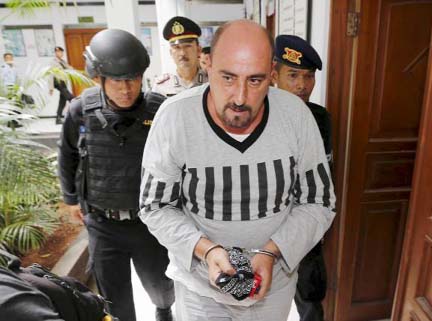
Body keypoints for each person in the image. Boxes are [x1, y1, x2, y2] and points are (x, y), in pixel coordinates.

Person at [140, 20, 336, 321]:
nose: (240, 98)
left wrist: (272, 252)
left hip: (274, 289)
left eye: (255, 80)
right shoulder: (175, 118)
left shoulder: (297, 117)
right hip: (200, 290)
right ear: (208, 64)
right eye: (228, 78)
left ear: (271, 72)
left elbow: (319, 201)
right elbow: (155, 206)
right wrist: (207, 251)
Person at [58, 29, 174, 321]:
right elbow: (68, 154)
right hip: (102, 223)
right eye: (118, 81)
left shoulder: (159, 110)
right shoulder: (80, 111)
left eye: (133, 79)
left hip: (148, 222)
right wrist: (71, 199)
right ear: (100, 78)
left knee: (161, 288)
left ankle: (164, 309)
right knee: (114, 299)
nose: (126, 89)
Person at [272, 34, 332, 321]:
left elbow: (325, 178)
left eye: (308, 77)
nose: (301, 85)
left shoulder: (320, 118)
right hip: (267, 229)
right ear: (274, 75)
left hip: (305, 229)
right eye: (292, 75)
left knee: (310, 298)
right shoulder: (258, 117)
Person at [152, 16, 208, 97]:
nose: (182, 53)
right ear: (171, 53)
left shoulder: (211, 82)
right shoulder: (161, 87)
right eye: (177, 47)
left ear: (198, 50)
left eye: (187, 46)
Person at [51, 46, 74, 124]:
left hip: (63, 82)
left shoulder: (63, 62)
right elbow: (50, 75)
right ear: (55, 53)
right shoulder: (53, 62)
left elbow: (69, 68)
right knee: (70, 97)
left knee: (62, 101)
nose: (59, 53)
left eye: (61, 52)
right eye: (57, 52)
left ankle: (58, 118)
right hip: (58, 82)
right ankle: (80, 111)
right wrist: (50, 87)